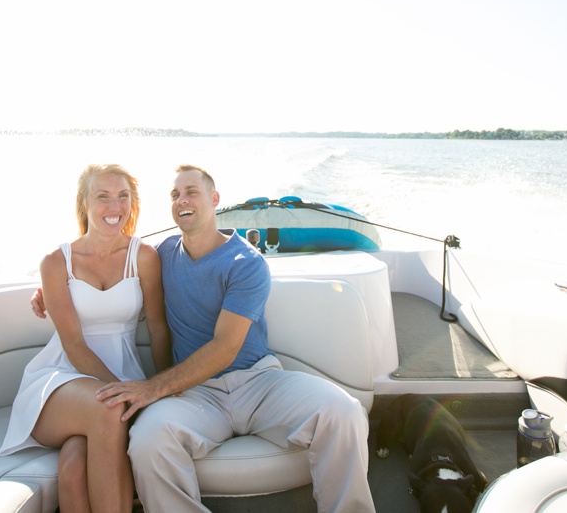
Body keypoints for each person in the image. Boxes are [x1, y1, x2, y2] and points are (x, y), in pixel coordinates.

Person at [91, 165, 375, 512]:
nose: (182, 200)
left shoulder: (246, 262)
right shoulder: (162, 254)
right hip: (198, 394)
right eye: (175, 195)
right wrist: (52, 287)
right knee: (148, 438)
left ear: (214, 200)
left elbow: (225, 348)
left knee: (344, 411)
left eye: (191, 192)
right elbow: (106, 261)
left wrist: (154, 388)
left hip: (259, 382)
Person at [1, 163, 171, 513]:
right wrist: (125, 392)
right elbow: (74, 346)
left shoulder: (144, 257)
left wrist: (162, 389)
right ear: (84, 203)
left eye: (123, 196)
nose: (114, 207)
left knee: (74, 466)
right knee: (108, 407)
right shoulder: (55, 262)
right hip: (60, 380)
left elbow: (157, 328)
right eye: (103, 196)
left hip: (122, 381)